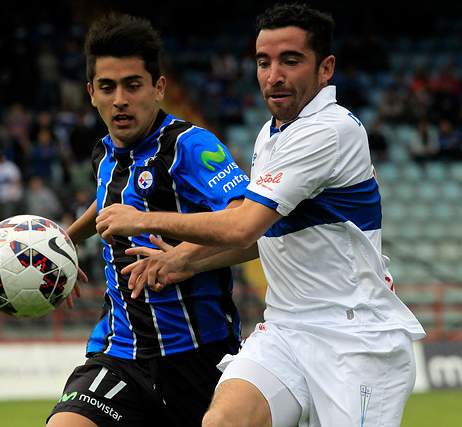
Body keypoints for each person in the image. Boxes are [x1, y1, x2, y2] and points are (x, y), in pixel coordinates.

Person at [95, 4, 426, 427]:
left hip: (354, 339)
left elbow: (241, 224)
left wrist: (141, 219)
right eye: (263, 62)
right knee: (222, 422)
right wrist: (182, 259)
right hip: (286, 330)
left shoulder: (328, 130)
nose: (274, 75)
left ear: (325, 69)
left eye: (290, 60)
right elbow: (259, 238)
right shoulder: (272, 134)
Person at [46, 13, 250, 427]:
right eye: (107, 87)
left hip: (200, 353)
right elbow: (107, 206)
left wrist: (170, 247)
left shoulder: (192, 146)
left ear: (158, 88)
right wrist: (62, 245)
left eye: (132, 85)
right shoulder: (104, 152)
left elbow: (246, 223)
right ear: (91, 94)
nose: (120, 98)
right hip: (121, 354)